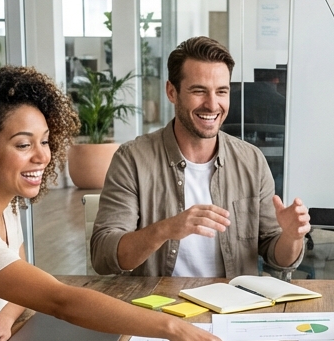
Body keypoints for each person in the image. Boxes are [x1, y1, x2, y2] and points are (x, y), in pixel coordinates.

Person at [0, 66, 246, 341]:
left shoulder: (4, 206)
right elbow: (59, 300)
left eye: (45, 141)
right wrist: (173, 328)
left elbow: (22, 285)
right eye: (23, 144)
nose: (42, 157)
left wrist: (4, 316)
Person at [90, 36, 309, 278]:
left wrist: (291, 237)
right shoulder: (132, 160)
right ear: (172, 92)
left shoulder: (251, 161)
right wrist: (166, 229)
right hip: (157, 310)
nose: (212, 105)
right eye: (199, 91)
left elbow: (278, 257)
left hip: (233, 305)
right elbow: (103, 255)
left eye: (221, 92)